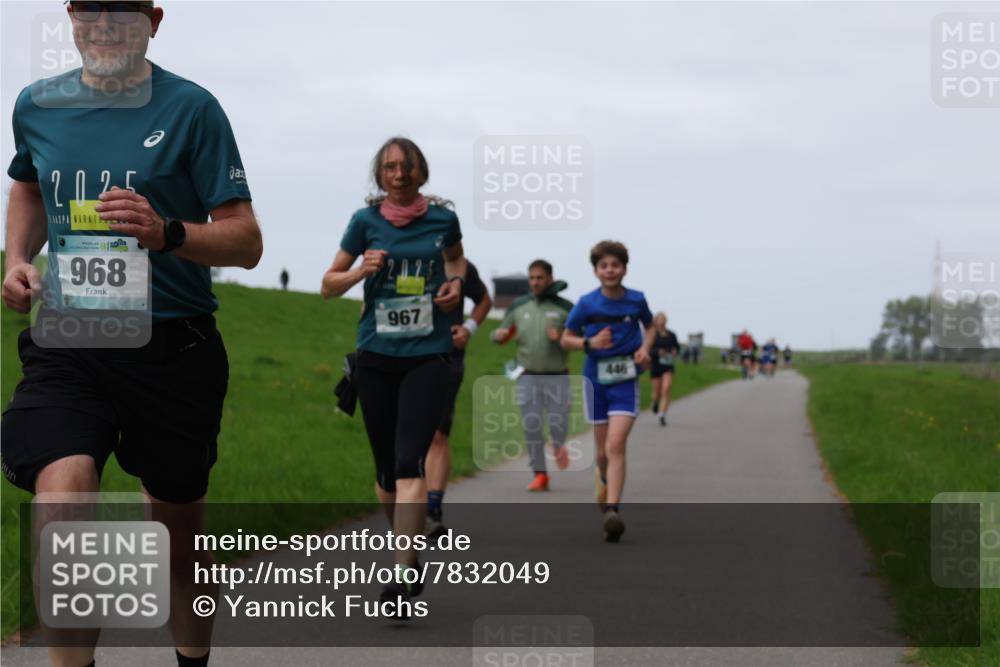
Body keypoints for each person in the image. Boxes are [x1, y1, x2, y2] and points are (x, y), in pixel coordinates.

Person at [1, 3, 263, 666]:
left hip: (174, 350)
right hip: (71, 341)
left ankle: (192, 658)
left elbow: (247, 241)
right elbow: (28, 186)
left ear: (153, 19)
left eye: (123, 10)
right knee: (62, 500)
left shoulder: (193, 110)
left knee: (179, 543)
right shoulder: (37, 105)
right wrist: (17, 260)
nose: (106, 23)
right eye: (91, 9)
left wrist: (168, 232)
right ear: (71, 16)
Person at [321, 137, 465, 616]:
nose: (399, 174)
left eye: (408, 166)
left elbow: (457, 262)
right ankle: (408, 546)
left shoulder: (443, 220)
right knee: (385, 472)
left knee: (409, 464)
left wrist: (455, 286)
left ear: (422, 172)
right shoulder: (364, 223)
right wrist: (361, 271)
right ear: (380, 175)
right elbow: (327, 285)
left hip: (430, 355)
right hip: (377, 357)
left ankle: (402, 576)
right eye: (390, 167)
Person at [561, 241, 654, 542]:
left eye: (615, 265)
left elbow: (650, 327)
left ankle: (612, 511)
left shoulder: (637, 300)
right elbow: (566, 338)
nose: (610, 270)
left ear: (624, 269)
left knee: (616, 445)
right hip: (595, 381)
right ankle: (602, 481)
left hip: (625, 379)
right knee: (601, 452)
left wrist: (644, 349)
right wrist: (589, 344)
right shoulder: (587, 303)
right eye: (604, 266)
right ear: (596, 271)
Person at [491, 259, 575, 492]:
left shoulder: (566, 307)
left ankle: (558, 443)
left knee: (559, 422)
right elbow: (501, 332)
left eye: (539, 277)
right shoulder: (518, 306)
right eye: (532, 278)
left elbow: (580, 339)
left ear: (549, 278)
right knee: (531, 424)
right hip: (527, 375)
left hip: (558, 376)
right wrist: (498, 335)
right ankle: (540, 474)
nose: (535, 282)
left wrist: (560, 337)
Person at [424, 260, 492, 539]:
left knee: (437, 434)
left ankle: (432, 511)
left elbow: (484, 300)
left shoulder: (460, 266)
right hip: (402, 356)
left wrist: (468, 329)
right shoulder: (399, 255)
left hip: (446, 356)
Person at [649, 313, 680, 426]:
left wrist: (675, 352)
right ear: (656, 321)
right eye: (659, 319)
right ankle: (655, 402)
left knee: (666, 389)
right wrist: (658, 352)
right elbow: (648, 350)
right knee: (656, 393)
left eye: (663, 319)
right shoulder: (652, 335)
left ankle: (662, 414)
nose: (662, 321)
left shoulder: (672, 335)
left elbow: (677, 347)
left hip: (668, 365)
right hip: (656, 365)